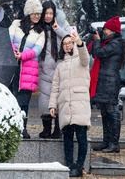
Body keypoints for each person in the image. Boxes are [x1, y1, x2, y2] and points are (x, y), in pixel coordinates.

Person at [49, 32, 90, 177]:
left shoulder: (82, 60)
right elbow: (55, 87)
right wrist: (52, 105)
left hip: (80, 105)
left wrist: (79, 42)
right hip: (65, 105)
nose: (67, 46)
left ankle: (79, 166)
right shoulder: (60, 66)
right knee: (67, 138)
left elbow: (85, 56)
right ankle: (69, 164)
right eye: (64, 44)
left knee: (81, 137)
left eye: (69, 43)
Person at [8, 0, 46, 139]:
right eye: (35, 13)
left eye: (38, 14)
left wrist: (22, 55)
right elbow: (8, 39)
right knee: (11, 98)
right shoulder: (16, 24)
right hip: (12, 67)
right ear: (28, 13)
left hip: (28, 69)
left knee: (24, 102)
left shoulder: (40, 31)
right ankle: (10, 127)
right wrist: (14, 52)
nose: (37, 16)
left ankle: (22, 128)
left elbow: (37, 50)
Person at [90, 16, 125, 153]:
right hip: (104, 80)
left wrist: (98, 40)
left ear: (114, 31)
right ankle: (106, 141)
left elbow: (99, 53)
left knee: (112, 111)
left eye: (107, 29)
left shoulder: (116, 43)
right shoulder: (108, 42)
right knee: (104, 112)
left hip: (110, 81)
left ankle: (114, 143)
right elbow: (95, 53)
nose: (104, 31)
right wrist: (97, 40)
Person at [38, 0, 69, 139]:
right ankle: (46, 129)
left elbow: (69, 39)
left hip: (58, 69)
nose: (48, 16)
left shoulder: (60, 26)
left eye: (51, 13)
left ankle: (58, 129)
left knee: (58, 100)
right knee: (44, 101)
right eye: (46, 13)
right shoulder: (38, 28)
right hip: (43, 69)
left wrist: (57, 29)